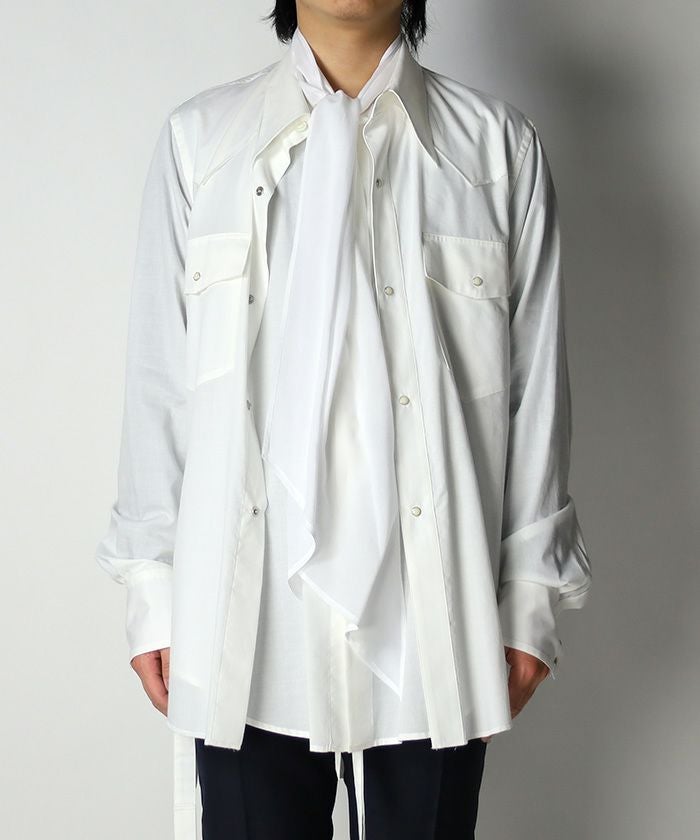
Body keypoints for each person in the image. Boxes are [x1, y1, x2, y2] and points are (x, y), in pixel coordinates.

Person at [95, 2, 593, 838]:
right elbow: (162, 382)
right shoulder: (200, 144)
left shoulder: (497, 150)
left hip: (436, 623)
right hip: (245, 622)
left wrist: (532, 599)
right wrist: (153, 587)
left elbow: (536, 389)